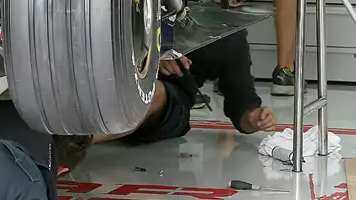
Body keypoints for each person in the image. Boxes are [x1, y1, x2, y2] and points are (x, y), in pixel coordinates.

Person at [93, 36, 277, 146]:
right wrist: (154, 54)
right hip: (109, 75)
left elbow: (241, 99)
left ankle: (73, 145)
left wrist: (253, 118)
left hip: (168, 100)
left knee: (152, 93)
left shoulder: (230, 35)